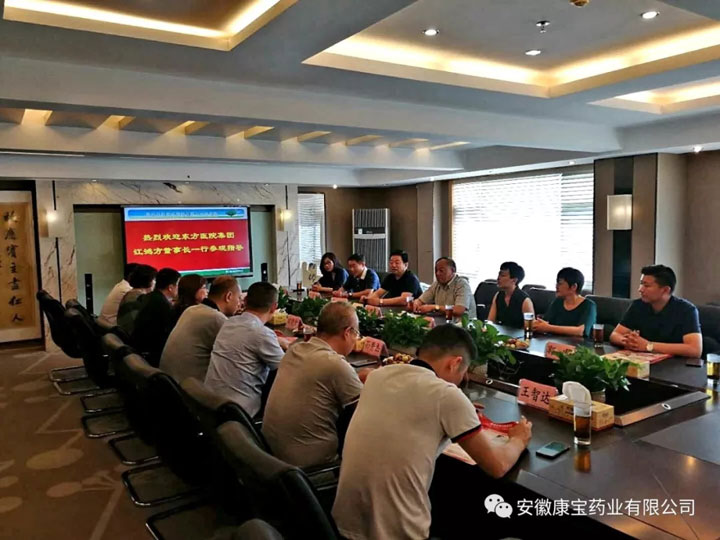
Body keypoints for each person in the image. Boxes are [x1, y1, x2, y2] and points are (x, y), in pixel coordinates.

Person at [332, 325, 533, 540]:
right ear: (455, 363)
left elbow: (411, 403)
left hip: (342, 526)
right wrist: (519, 438)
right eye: (463, 372)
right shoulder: (446, 396)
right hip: (397, 533)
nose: (461, 380)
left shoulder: (379, 376)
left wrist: (459, 413)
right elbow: (498, 466)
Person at [262, 302, 364, 468]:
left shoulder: (295, 349)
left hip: (271, 458)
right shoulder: (335, 364)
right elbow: (367, 410)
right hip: (311, 468)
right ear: (347, 333)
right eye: (356, 334)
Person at [204, 282, 291, 417]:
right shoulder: (262, 333)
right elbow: (288, 368)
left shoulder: (229, 323)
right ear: (274, 307)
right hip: (239, 412)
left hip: (211, 405)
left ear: (245, 301)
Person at [160, 276, 241, 383]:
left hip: (169, 383)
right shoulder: (215, 318)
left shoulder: (191, 310)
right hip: (189, 388)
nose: (240, 303)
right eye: (239, 298)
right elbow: (240, 352)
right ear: (228, 296)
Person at [610, 265, 702, 358]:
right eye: (641, 284)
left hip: (674, 363)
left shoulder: (687, 310)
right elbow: (615, 334)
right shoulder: (638, 305)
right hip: (643, 360)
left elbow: (695, 350)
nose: (640, 289)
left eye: (646, 286)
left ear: (665, 290)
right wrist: (630, 342)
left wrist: (648, 346)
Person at [132, 267, 181, 366]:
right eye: (178, 285)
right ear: (170, 287)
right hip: (151, 355)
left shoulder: (150, 297)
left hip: (140, 352)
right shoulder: (162, 305)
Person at [533, 267, 596, 338]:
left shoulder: (589, 305)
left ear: (573, 287)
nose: (556, 286)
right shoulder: (558, 302)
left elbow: (580, 331)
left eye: (560, 284)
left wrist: (548, 328)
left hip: (577, 344)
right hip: (554, 342)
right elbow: (545, 322)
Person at [487, 261, 534, 327]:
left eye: (502, 275)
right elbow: (490, 321)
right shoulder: (498, 295)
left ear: (514, 280)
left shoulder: (525, 300)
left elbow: (530, 327)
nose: (498, 278)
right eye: (499, 275)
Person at [117, 264, 157, 335]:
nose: (155, 282)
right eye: (154, 279)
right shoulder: (139, 298)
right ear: (148, 281)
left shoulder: (132, 294)